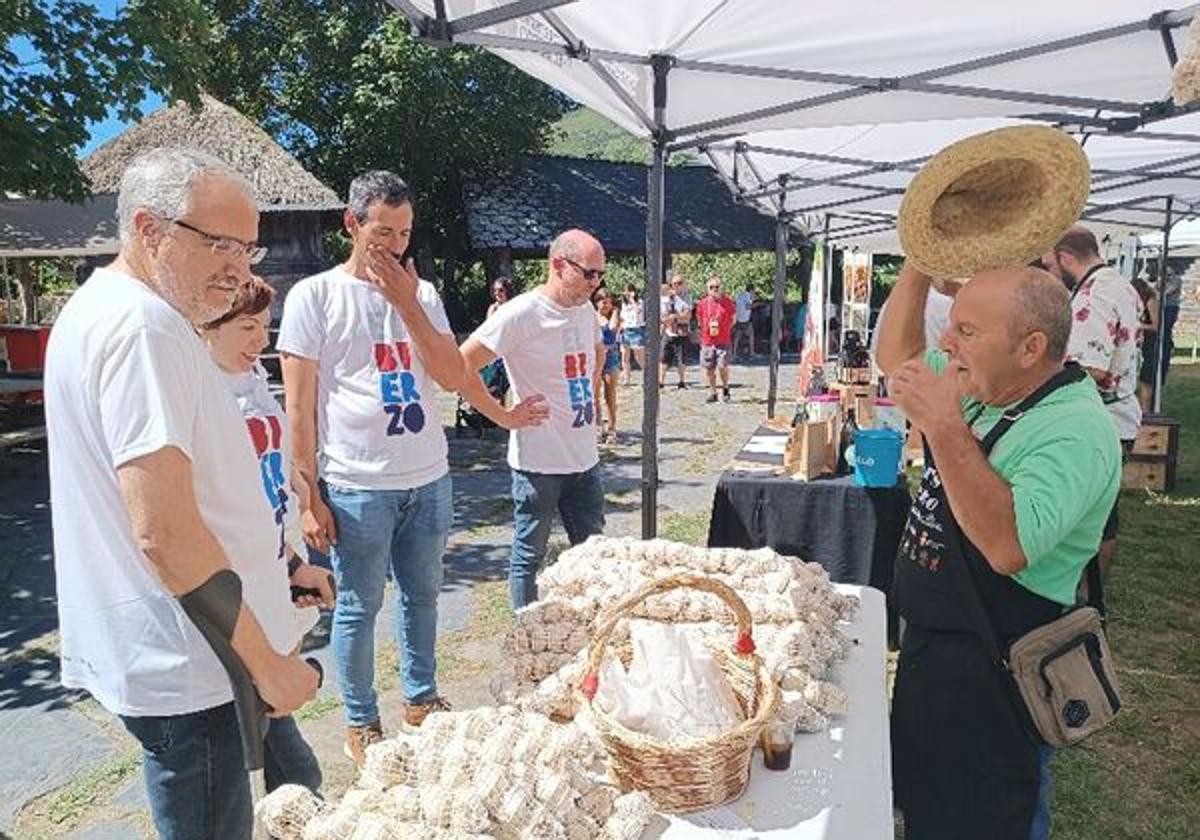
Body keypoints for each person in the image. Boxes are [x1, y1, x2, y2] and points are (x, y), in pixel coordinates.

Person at [45, 148, 323, 840]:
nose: (240, 267)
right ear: (149, 228)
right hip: (191, 659)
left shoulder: (103, 311)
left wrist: (279, 570)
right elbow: (163, 530)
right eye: (220, 243)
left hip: (177, 645)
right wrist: (267, 665)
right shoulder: (145, 327)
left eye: (248, 246)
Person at [877, 262, 1120, 840]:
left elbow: (1008, 546)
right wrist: (917, 265)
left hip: (999, 676)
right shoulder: (985, 380)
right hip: (937, 653)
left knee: (985, 822)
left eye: (966, 331)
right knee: (929, 810)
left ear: (1031, 347)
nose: (946, 342)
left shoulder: (1077, 429)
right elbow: (899, 361)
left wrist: (944, 425)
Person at [277, 170, 465, 767]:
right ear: (351, 224)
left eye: (405, 233)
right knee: (358, 604)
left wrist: (408, 303)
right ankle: (361, 720)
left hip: (428, 474)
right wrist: (308, 497)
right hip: (357, 483)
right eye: (383, 231)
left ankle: (422, 697)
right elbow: (299, 407)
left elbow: (453, 374)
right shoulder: (316, 296)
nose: (394, 245)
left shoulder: (424, 294)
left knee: (424, 595)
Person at [199, 275, 333, 794]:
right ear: (207, 328)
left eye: (265, 326)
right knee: (248, 757)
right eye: (246, 326)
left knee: (281, 746)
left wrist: (294, 564)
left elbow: (273, 478)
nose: (261, 339)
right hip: (226, 589)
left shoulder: (251, 377)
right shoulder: (202, 391)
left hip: (268, 571)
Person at [459, 229, 606, 609]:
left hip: (584, 458)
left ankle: (594, 631)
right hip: (539, 463)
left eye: (599, 275)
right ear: (559, 264)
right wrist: (502, 416)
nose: (596, 283)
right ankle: (525, 637)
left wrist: (589, 400)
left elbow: (598, 352)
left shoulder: (585, 309)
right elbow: (461, 365)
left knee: (595, 556)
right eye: (589, 273)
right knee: (529, 557)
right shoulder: (521, 313)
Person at [1042, 226, 1142, 581]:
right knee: (1101, 513)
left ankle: (1084, 594)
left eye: (1051, 267)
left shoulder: (1093, 295)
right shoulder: (1121, 284)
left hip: (1099, 419)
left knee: (1088, 517)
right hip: (1117, 417)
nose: (1052, 276)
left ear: (1065, 257)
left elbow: (1092, 369)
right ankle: (1091, 593)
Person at [695, 276, 737, 403]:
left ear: (721, 288)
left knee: (722, 366)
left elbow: (734, 319)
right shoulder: (703, 303)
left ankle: (725, 387)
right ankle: (712, 391)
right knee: (709, 368)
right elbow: (699, 320)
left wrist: (724, 329)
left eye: (716, 287)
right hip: (707, 341)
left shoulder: (728, 302)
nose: (714, 289)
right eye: (711, 287)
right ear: (707, 289)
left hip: (723, 340)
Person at [593, 287, 622, 442]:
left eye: (609, 302)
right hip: (595, 358)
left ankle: (612, 428)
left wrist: (616, 311)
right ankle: (598, 427)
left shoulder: (614, 317)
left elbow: (612, 332)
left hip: (610, 356)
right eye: (603, 302)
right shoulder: (591, 317)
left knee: (610, 395)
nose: (605, 305)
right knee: (595, 395)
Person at [1131, 275, 1160, 412]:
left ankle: (1146, 412)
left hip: (1150, 345)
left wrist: (1138, 325)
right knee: (1138, 383)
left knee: (1145, 383)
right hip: (1139, 345)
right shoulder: (1137, 303)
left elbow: (1156, 326)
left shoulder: (1150, 301)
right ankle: (1141, 411)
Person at [660, 274, 691, 388]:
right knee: (664, 357)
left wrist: (674, 317)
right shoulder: (667, 298)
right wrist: (674, 317)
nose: (676, 286)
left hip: (682, 332)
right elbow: (663, 316)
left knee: (681, 359)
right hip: (669, 331)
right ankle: (661, 381)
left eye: (679, 283)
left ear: (683, 284)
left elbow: (687, 316)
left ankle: (682, 381)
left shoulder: (686, 297)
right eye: (674, 284)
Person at [619, 283, 645, 384]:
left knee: (639, 357)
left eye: (629, 291)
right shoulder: (623, 304)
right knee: (624, 356)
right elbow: (623, 317)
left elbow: (638, 312)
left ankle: (647, 377)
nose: (627, 294)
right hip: (625, 330)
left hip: (636, 330)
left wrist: (633, 300)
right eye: (625, 291)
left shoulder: (639, 302)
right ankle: (627, 378)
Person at [1161, 265, 1182, 382]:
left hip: (1171, 308)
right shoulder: (1163, 279)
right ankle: (1167, 347)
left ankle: (1169, 348)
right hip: (1163, 307)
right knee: (1164, 332)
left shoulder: (1176, 279)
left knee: (1166, 331)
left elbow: (1167, 291)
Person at [733, 286, 755, 358]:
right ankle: (752, 352)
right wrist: (757, 305)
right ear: (751, 290)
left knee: (737, 337)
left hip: (738, 319)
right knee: (751, 335)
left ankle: (734, 352)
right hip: (746, 320)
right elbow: (748, 306)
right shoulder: (748, 296)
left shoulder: (739, 295)